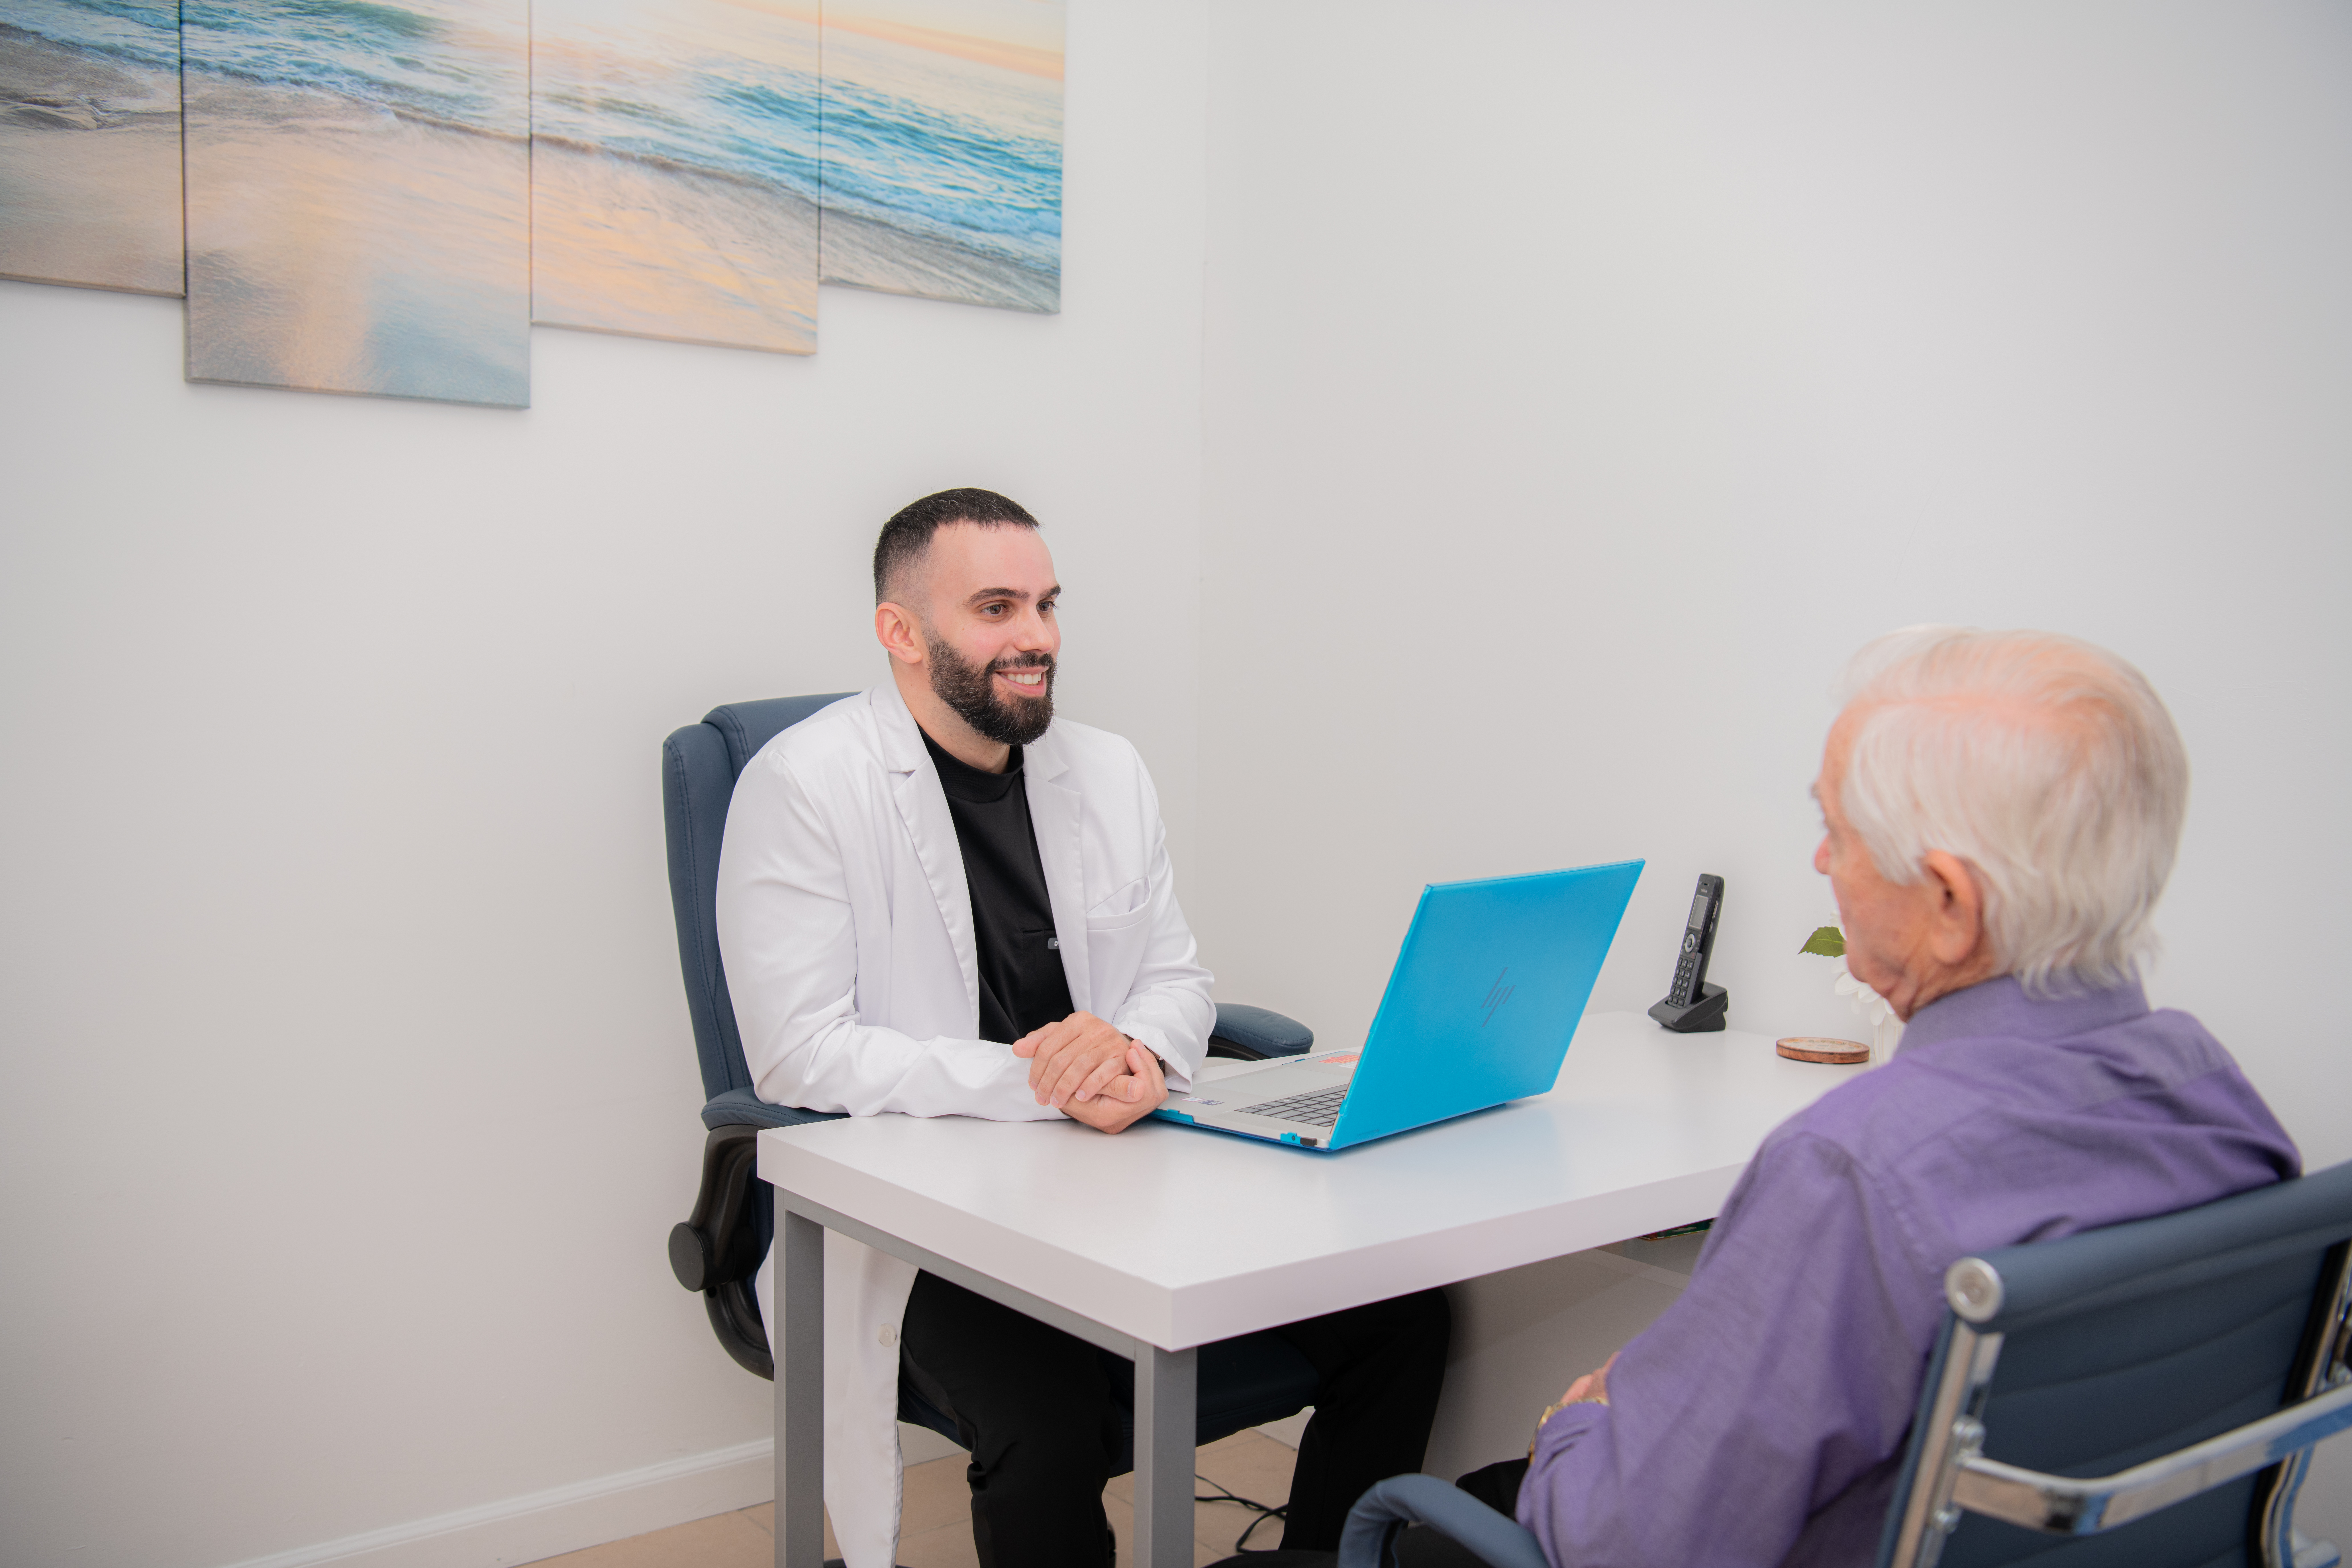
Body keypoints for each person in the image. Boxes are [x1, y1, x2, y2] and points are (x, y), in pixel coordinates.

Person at [1243, 626, 2299, 1568]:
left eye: (1838, 832)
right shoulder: (2217, 1097)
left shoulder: (1855, 1169)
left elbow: (1620, 1543)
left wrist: (1578, 1423)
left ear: (1948, 905)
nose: (1821, 860)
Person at [715, 488, 1449, 1568]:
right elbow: (798, 1048)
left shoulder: (1106, 771)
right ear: (901, 632)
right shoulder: (806, 786)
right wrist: (1049, 1078)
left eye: (1048, 606)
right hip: (929, 1224)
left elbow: (1177, 977)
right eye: (998, 608)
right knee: (1048, 1416)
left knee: (1400, 1320)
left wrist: (1139, 1052)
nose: (1038, 639)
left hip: (1125, 1173)